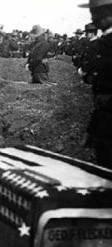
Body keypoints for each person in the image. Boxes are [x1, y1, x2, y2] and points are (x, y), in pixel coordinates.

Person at [80, 0, 112, 168]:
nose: (95, 17)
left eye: (99, 13)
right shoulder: (103, 42)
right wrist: (93, 129)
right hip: (104, 121)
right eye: (93, 13)